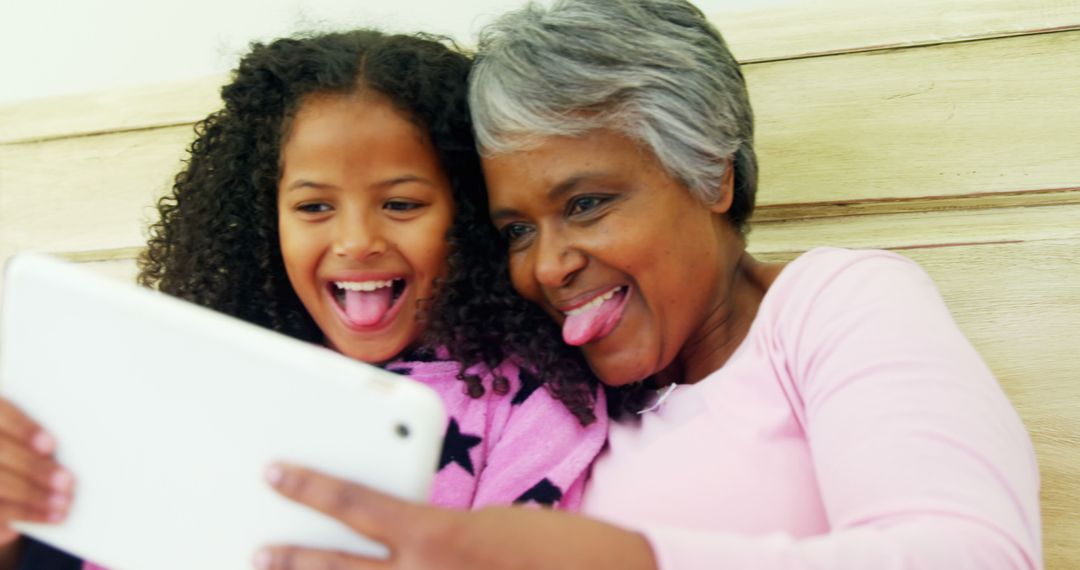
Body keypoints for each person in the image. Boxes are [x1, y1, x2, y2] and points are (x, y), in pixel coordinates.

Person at [253, 1, 1043, 569]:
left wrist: (625, 559)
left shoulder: (830, 304)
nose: (548, 264)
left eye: (586, 204)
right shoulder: (549, 397)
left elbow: (975, 553)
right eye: (517, 230)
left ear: (711, 175)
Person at [0, 29, 607, 568]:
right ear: (269, 223)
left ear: (467, 214)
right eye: (314, 207)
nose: (356, 242)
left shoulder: (536, 402)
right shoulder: (199, 369)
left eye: (401, 204)